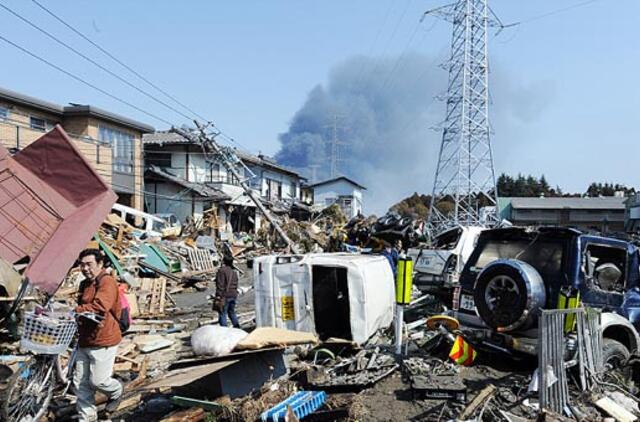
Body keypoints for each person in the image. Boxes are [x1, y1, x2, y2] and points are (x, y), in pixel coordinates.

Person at [74, 249, 123, 422]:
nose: (85, 268)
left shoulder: (107, 282)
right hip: (85, 340)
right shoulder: (85, 284)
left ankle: (117, 391)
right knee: (80, 383)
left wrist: (75, 310)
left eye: (89, 264)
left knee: (98, 381)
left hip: (104, 339)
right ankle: (87, 418)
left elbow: (101, 306)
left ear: (100, 264)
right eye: (82, 264)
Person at [215, 254, 240, 328]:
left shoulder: (221, 271)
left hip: (225, 295)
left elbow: (220, 284)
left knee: (222, 313)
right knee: (231, 312)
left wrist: (218, 296)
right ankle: (237, 328)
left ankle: (224, 331)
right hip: (233, 294)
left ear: (224, 261)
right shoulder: (234, 272)